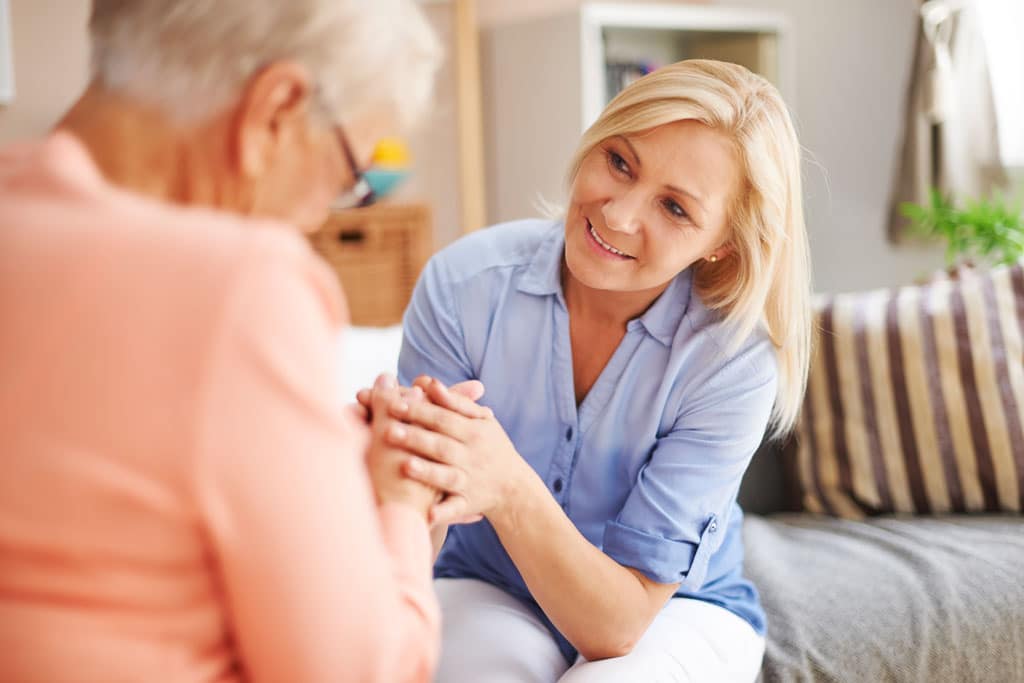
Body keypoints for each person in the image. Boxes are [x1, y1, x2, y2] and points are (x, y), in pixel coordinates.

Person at [0, 1, 451, 681]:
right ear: (278, 108)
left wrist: (312, 451)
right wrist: (403, 508)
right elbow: (359, 670)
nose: (314, 217)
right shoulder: (243, 285)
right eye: (345, 177)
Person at [369, 59, 812, 682]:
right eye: (620, 162)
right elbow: (414, 524)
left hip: (673, 612)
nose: (619, 215)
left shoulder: (730, 360)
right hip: (489, 583)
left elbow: (618, 625)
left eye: (676, 208)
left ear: (723, 243)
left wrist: (504, 481)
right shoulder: (462, 285)